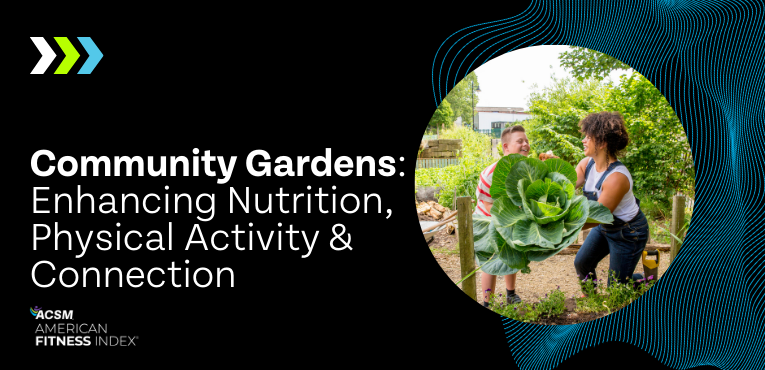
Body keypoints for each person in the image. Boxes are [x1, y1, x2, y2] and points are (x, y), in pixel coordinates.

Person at [573, 112, 649, 288]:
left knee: (616, 287)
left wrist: (563, 227)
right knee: (582, 263)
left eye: (588, 137)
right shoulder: (586, 164)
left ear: (602, 142)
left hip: (629, 232)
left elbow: (596, 217)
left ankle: (647, 281)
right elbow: (566, 188)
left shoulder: (616, 178)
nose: (583, 140)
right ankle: (591, 299)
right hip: (605, 227)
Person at [475, 125, 545, 307]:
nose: (525, 144)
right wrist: (507, 220)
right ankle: (487, 302)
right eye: (520, 141)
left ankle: (510, 293)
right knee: (490, 262)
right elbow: (489, 205)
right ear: (505, 147)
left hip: (512, 219)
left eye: (526, 141)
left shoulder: (526, 168)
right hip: (488, 222)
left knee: (511, 256)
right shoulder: (491, 173)